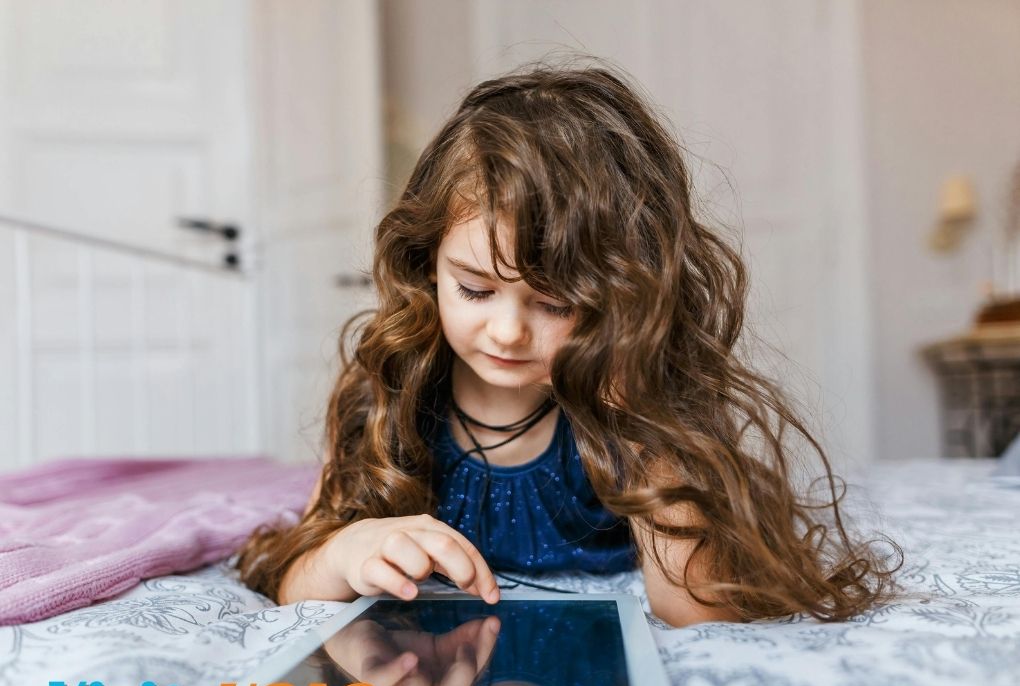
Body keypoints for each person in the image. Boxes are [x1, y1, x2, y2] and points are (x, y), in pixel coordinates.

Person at [235, 58, 902, 647]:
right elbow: (294, 577)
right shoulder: (391, 385)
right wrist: (348, 551)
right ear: (425, 263)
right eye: (475, 289)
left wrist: (637, 417)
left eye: (554, 303)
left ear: (626, 295)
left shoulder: (643, 406)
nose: (507, 331)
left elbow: (695, 612)